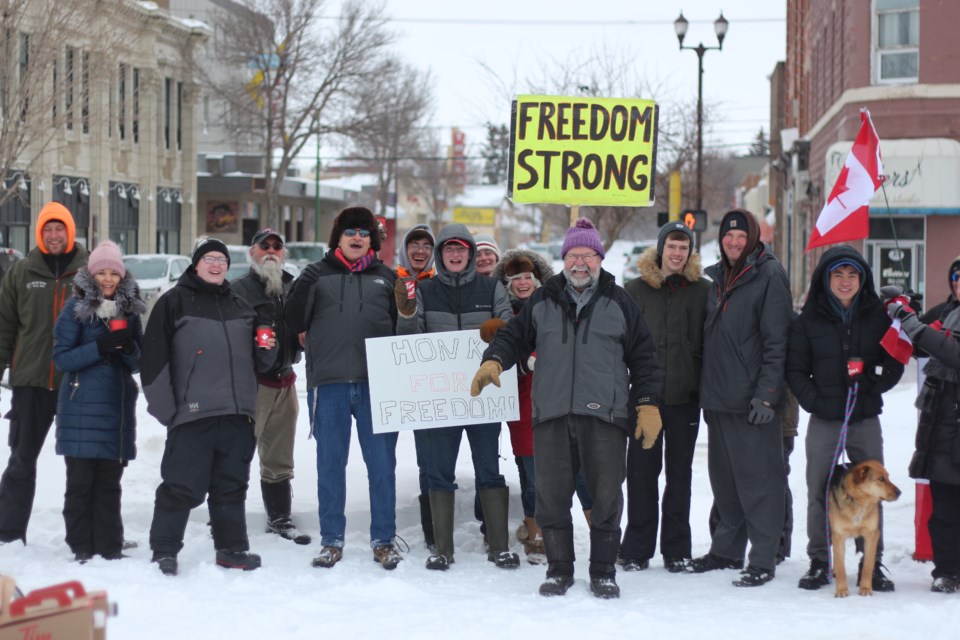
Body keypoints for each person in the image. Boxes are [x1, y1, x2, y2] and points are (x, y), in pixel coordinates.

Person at [472, 218, 661, 599]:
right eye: (573, 255)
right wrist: (494, 360)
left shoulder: (620, 301)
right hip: (553, 414)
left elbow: (645, 358)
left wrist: (646, 404)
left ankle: (604, 571)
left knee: (606, 497)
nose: (579, 263)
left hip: (606, 417)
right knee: (551, 497)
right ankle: (559, 570)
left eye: (587, 255)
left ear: (599, 258)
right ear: (563, 259)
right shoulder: (544, 299)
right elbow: (514, 337)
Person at [142, 237, 277, 576]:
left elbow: (262, 363)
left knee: (231, 487)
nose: (216, 265)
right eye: (209, 258)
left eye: (222, 259)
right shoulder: (173, 302)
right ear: (196, 263)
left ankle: (231, 549)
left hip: (236, 414)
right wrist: (168, 411)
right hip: (193, 414)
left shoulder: (240, 303)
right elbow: (153, 360)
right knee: (180, 486)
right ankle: (165, 550)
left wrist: (268, 348)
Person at [395, 224, 518, 571]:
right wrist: (405, 314)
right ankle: (442, 548)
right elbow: (411, 341)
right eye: (449, 249)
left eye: (461, 249)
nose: (455, 254)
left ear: (471, 254)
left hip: (484, 396)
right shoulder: (424, 290)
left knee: (489, 470)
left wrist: (498, 332)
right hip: (441, 399)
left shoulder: (491, 287)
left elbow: (507, 329)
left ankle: (499, 546)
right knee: (438, 472)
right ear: (441, 254)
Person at [286, 207, 402, 570]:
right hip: (329, 384)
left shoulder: (388, 278)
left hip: (376, 386)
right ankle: (331, 540)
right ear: (338, 237)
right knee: (330, 465)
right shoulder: (316, 275)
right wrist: (304, 282)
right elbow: (291, 321)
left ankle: (383, 540)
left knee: (382, 466)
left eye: (363, 233)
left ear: (373, 240)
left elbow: (405, 330)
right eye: (349, 232)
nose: (356, 238)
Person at [786, 246, 904, 592]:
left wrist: (871, 384)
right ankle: (820, 560)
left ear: (862, 279)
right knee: (820, 489)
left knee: (873, 490)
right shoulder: (808, 320)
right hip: (825, 419)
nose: (845, 281)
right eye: (838, 274)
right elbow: (795, 371)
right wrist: (816, 403)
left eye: (852, 275)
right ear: (826, 279)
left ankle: (873, 562)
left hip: (864, 417)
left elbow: (895, 362)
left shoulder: (877, 317)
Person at [686, 209, 792, 587]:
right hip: (718, 398)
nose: (734, 242)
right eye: (728, 236)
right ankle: (726, 551)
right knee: (726, 483)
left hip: (751, 400)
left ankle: (763, 558)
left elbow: (778, 343)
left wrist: (766, 397)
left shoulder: (768, 275)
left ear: (753, 238)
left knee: (760, 483)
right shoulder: (715, 277)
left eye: (741, 236)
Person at [620, 221, 708, 573]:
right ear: (660, 250)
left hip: (685, 398)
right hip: (645, 400)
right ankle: (637, 550)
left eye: (683, 248)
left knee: (679, 476)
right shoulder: (634, 291)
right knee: (641, 475)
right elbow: (621, 343)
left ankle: (676, 550)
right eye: (671, 246)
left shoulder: (702, 291)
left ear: (690, 253)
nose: (676, 253)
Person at [0, 202, 88, 544]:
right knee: (21, 460)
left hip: (77, 382)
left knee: (81, 465)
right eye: (47, 230)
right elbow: (5, 325)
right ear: (40, 233)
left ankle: (82, 535)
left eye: (60, 229)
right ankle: (7, 532)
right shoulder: (21, 272)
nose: (54, 236)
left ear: (70, 231)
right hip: (31, 382)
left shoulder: (89, 270)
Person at [52, 240, 145, 562]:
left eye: (113, 274)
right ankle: (81, 545)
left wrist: (126, 348)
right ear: (91, 276)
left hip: (115, 410)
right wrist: (100, 347)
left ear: (122, 277)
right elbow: (61, 359)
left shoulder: (130, 311)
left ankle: (108, 545)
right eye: (101, 273)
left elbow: (139, 363)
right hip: (80, 408)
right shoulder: (74, 308)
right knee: (80, 484)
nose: (108, 279)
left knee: (109, 484)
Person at [231, 229, 310, 546]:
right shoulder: (238, 290)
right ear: (252, 252)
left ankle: (280, 519)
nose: (272, 251)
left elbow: (299, 327)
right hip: (251, 386)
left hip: (285, 382)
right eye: (265, 246)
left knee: (279, 458)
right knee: (236, 455)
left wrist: (301, 339)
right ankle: (228, 521)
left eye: (278, 246)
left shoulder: (291, 287)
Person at [890, 255, 960, 593]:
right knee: (944, 509)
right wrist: (907, 311)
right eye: (957, 277)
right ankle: (947, 570)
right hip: (941, 426)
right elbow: (918, 346)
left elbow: (952, 352)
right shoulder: (945, 313)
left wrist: (912, 323)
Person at [487, 247, 555, 564]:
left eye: (528, 277)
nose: (523, 283)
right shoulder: (506, 316)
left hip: (555, 401)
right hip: (521, 403)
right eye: (516, 279)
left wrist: (537, 357)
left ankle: (552, 528)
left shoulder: (554, 307)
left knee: (558, 473)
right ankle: (534, 529)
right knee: (528, 470)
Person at [395, 223, 437, 550]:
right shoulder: (391, 281)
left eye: (426, 245)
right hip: (411, 383)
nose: (420, 251)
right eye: (414, 244)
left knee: (443, 458)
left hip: (444, 381)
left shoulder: (440, 284)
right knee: (426, 457)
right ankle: (432, 529)